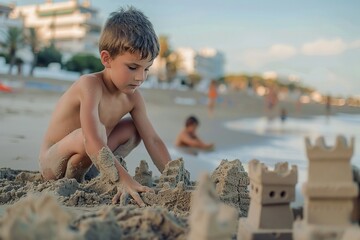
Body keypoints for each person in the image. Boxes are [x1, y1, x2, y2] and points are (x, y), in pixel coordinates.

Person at [38, 6, 171, 207]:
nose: (141, 77)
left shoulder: (133, 98)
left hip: (91, 159)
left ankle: (92, 174)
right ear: (106, 59)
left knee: (135, 129)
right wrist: (124, 180)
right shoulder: (90, 85)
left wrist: (172, 174)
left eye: (147, 69)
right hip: (54, 163)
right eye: (133, 67)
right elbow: (90, 138)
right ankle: (98, 176)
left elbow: (152, 139)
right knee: (92, 132)